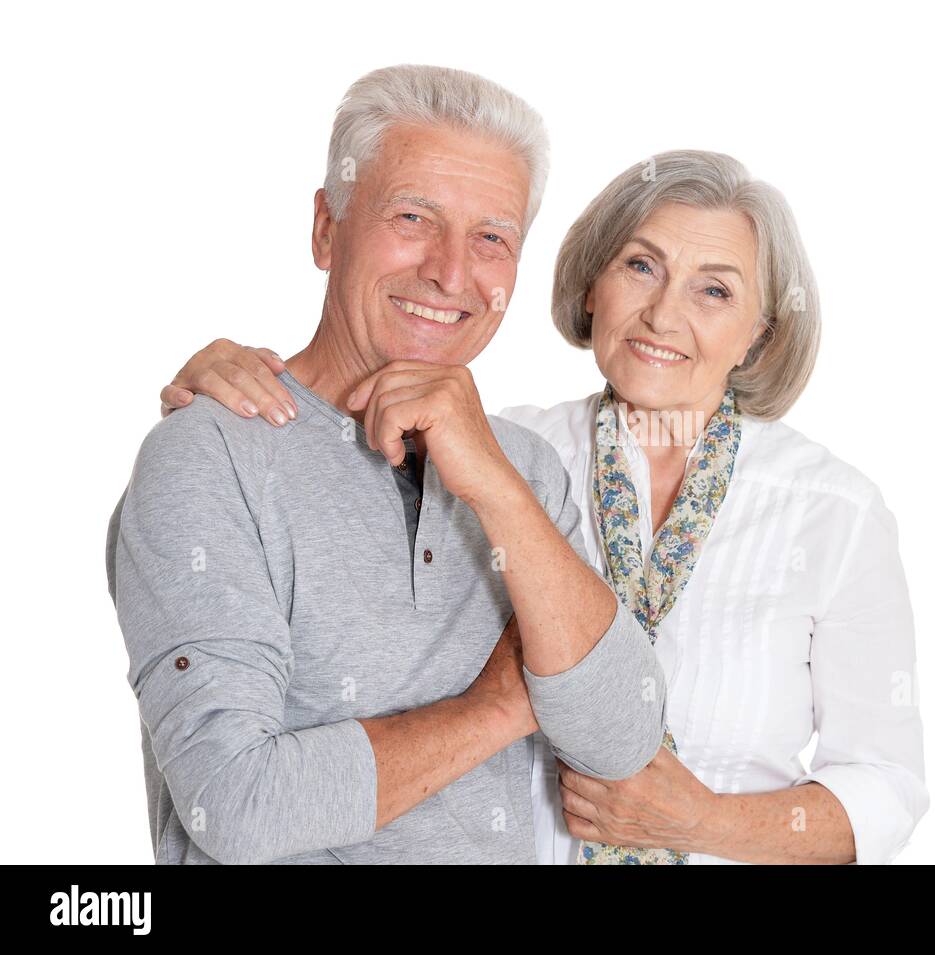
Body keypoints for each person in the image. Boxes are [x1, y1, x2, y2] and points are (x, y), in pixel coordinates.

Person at [162, 149, 931, 864]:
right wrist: (229, 388)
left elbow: (887, 786)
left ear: (759, 334)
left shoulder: (832, 514)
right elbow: (331, 422)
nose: (664, 315)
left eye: (715, 289)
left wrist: (696, 819)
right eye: (641, 266)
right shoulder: (494, 455)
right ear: (592, 286)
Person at [105, 64, 667, 865]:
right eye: (413, 216)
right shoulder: (211, 454)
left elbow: (621, 740)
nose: (449, 270)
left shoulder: (528, 472)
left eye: (492, 239)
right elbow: (235, 803)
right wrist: (501, 708)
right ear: (326, 229)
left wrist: (494, 482)